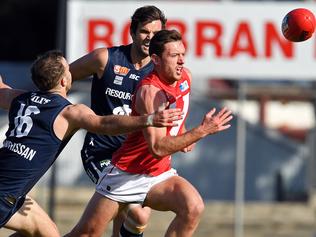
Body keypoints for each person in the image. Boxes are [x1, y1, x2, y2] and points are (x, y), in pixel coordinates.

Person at [66, 30, 233, 237]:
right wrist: (201, 131)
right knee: (86, 234)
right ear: (155, 59)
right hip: (125, 175)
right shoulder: (150, 93)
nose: (181, 61)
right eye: (174, 56)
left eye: (183, 54)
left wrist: (187, 135)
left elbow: (178, 124)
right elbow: (158, 148)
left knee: (193, 207)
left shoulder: (185, 78)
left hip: (159, 175)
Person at [0, 50, 183, 237]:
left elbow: (1, 89)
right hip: (5, 195)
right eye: (67, 69)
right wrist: (148, 120)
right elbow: (105, 123)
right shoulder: (69, 112)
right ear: (64, 81)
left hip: (11, 191)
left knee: (46, 232)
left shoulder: (20, 100)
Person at [69, 5, 167, 237]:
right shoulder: (105, 58)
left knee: (130, 219)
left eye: (156, 35)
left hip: (137, 158)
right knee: (132, 214)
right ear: (132, 32)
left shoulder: (161, 71)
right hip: (102, 152)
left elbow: (177, 106)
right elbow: (61, 78)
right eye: (144, 32)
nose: (150, 39)